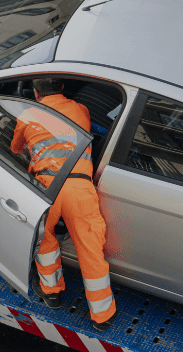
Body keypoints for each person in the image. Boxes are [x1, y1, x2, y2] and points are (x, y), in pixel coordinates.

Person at [10, 77, 117, 331]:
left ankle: (52, 293)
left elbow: (16, 148)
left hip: (45, 188)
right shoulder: (81, 110)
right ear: (62, 88)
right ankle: (102, 316)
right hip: (79, 187)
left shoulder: (28, 115)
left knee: (44, 240)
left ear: (36, 94)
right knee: (90, 248)